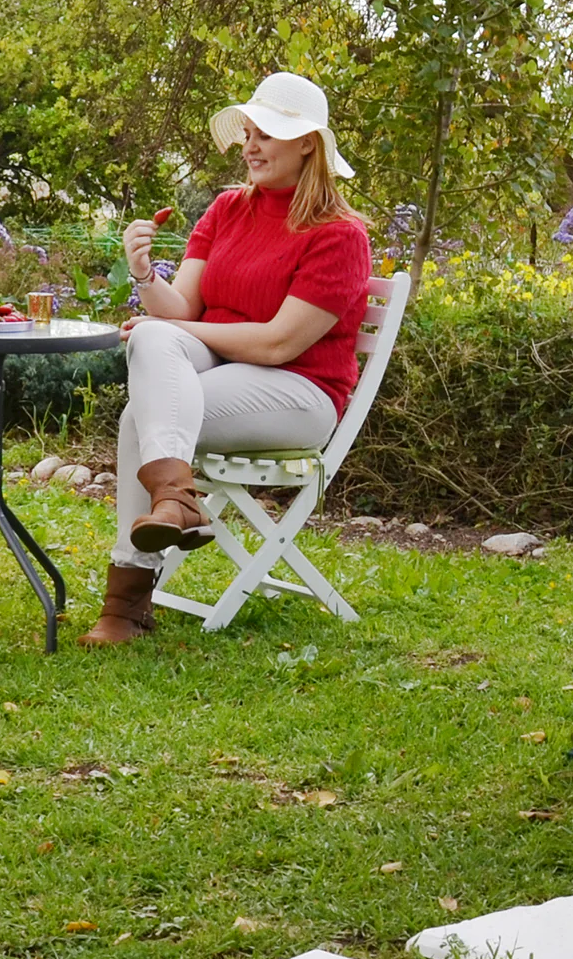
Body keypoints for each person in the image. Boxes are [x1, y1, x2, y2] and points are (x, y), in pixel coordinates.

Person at [84, 71, 372, 644]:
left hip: (298, 393)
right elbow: (181, 307)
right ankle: (175, 502)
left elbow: (277, 344)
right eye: (247, 133)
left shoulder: (339, 235)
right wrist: (144, 274)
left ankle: (126, 605)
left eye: (265, 133)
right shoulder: (227, 211)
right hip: (227, 376)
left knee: (142, 405)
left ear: (308, 143)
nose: (249, 146)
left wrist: (172, 326)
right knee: (152, 340)